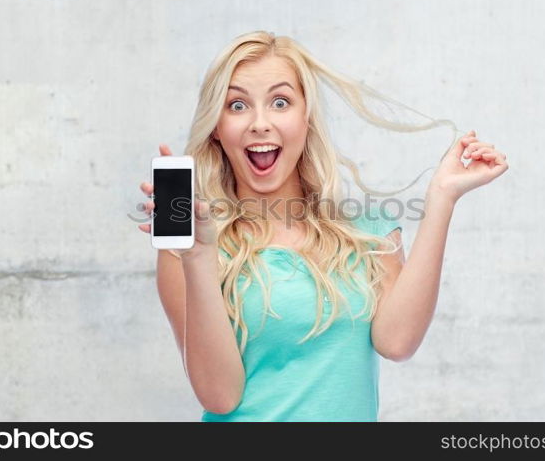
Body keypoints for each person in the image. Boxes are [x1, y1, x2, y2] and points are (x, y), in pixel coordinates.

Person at [137, 30, 508, 421]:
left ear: (306, 116)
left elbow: (398, 342)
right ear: (216, 126)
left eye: (280, 102)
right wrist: (198, 257)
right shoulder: (188, 248)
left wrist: (442, 198)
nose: (259, 123)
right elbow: (219, 396)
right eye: (237, 105)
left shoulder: (368, 230)